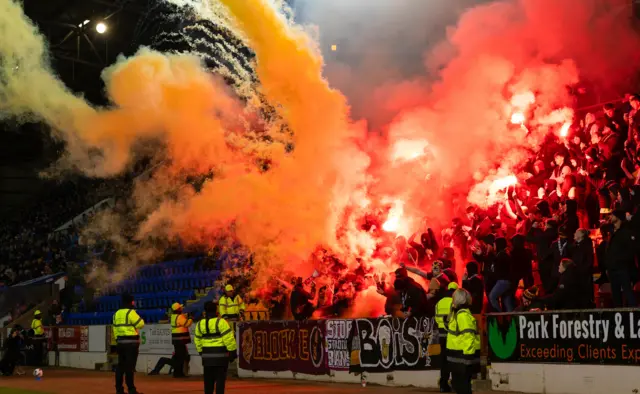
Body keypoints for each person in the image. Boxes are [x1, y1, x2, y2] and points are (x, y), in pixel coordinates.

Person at [195, 301, 237, 394]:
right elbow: (229, 339)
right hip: (220, 357)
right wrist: (232, 352)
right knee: (220, 381)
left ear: (205, 311)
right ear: (216, 310)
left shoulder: (199, 324)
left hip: (207, 358)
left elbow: (197, 340)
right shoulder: (221, 322)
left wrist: (201, 352)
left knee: (208, 382)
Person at [446, 289, 481, 394]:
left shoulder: (462, 316)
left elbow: (468, 336)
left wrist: (468, 358)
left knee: (462, 386)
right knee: (459, 385)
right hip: (457, 357)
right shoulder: (458, 314)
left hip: (462, 358)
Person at [112, 293, 145, 394]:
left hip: (120, 343)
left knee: (120, 366)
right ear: (130, 301)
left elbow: (115, 328)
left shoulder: (116, 313)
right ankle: (131, 390)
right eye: (133, 301)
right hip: (131, 344)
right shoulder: (131, 312)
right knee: (130, 367)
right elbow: (141, 324)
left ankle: (119, 389)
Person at [605, 210, 638, 307]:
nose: (610, 217)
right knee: (615, 295)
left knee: (628, 292)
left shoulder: (626, 233)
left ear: (618, 217)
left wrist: (621, 261)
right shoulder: (612, 232)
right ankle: (618, 315)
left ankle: (634, 315)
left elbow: (631, 250)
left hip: (623, 268)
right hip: (612, 269)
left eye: (612, 215)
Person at [434, 282, 459, 393]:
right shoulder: (454, 302)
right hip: (451, 335)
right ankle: (454, 383)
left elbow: (436, 318)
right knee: (454, 360)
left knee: (443, 361)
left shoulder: (439, 302)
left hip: (441, 335)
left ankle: (443, 385)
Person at [571, 229, 595, 308]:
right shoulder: (575, 245)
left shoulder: (586, 245)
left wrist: (584, 270)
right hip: (577, 274)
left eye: (576, 232)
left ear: (581, 235)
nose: (574, 233)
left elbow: (589, 260)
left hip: (584, 274)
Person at [170, 302, 193, 378]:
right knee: (181, 356)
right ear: (178, 309)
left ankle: (177, 372)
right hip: (180, 339)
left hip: (176, 339)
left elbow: (181, 318)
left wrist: (186, 316)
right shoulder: (180, 317)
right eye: (180, 308)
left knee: (178, 356)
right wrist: (190, 318)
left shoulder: (173, 316)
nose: (182, 308)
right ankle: (179, 373)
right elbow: (187, 324)